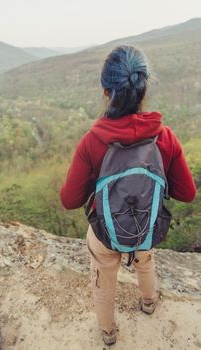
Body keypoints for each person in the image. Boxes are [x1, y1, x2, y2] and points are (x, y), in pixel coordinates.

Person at [60, 45, 196, 346]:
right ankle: (149, 302)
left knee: (104, 278)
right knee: (145, 259)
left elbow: (69, 200)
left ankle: (108, 333)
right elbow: (187, 193)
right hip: (145, 226)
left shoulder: (92, 142)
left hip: (106, 232)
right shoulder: (165, 137)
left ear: (106, 91)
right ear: (144, 87)